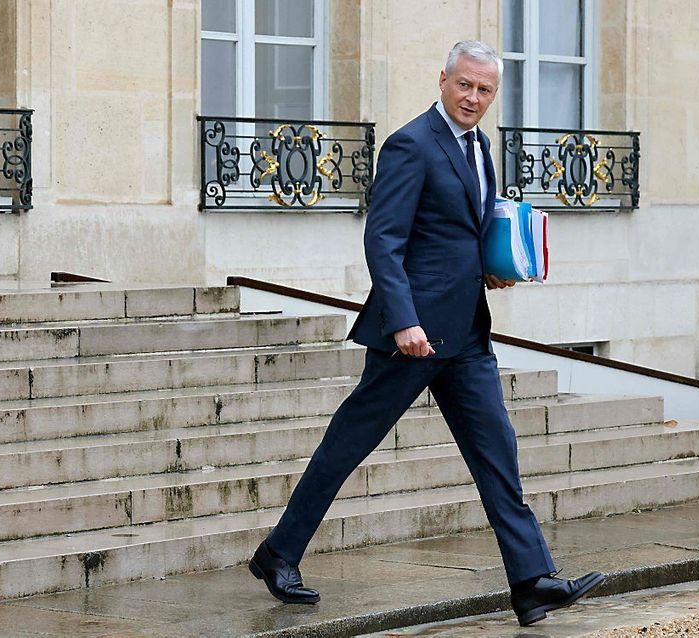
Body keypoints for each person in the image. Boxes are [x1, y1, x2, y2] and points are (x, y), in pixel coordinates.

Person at [248, 40, 604, 627]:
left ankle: (531, 582)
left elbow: (462, 231)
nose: (473, 97)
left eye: (484, 89)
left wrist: (492, 270)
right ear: (443, 80)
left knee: (498, 453)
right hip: (411, 334)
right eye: (464, 84)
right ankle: (278, 553)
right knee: (350, 442)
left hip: (465, 333)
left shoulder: (480, 147)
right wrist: (404, 320)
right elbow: (383, 241)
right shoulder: (411, 143)